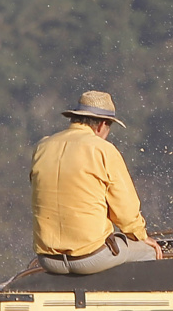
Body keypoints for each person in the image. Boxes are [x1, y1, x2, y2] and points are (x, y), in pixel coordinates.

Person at [31, 90, 163, 274]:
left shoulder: (42, 147)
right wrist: (141, 236)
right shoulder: (103, 150)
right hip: (90, 258)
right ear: (102, 125)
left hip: (48, 259)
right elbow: (125, 210)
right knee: (149, 252)